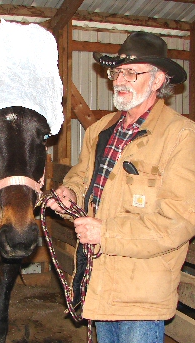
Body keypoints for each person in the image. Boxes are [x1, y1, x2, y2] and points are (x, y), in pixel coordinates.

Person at [47, 31, 195, 343]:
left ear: (158, 80)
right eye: (117, 72)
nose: (119, 80)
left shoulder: (182, 137)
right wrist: (69, 192)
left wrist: (106, 233)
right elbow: (82, 176)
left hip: (142, 291)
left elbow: (179, 222)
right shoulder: (101, 130)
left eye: (132, 72)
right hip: (97, 278)